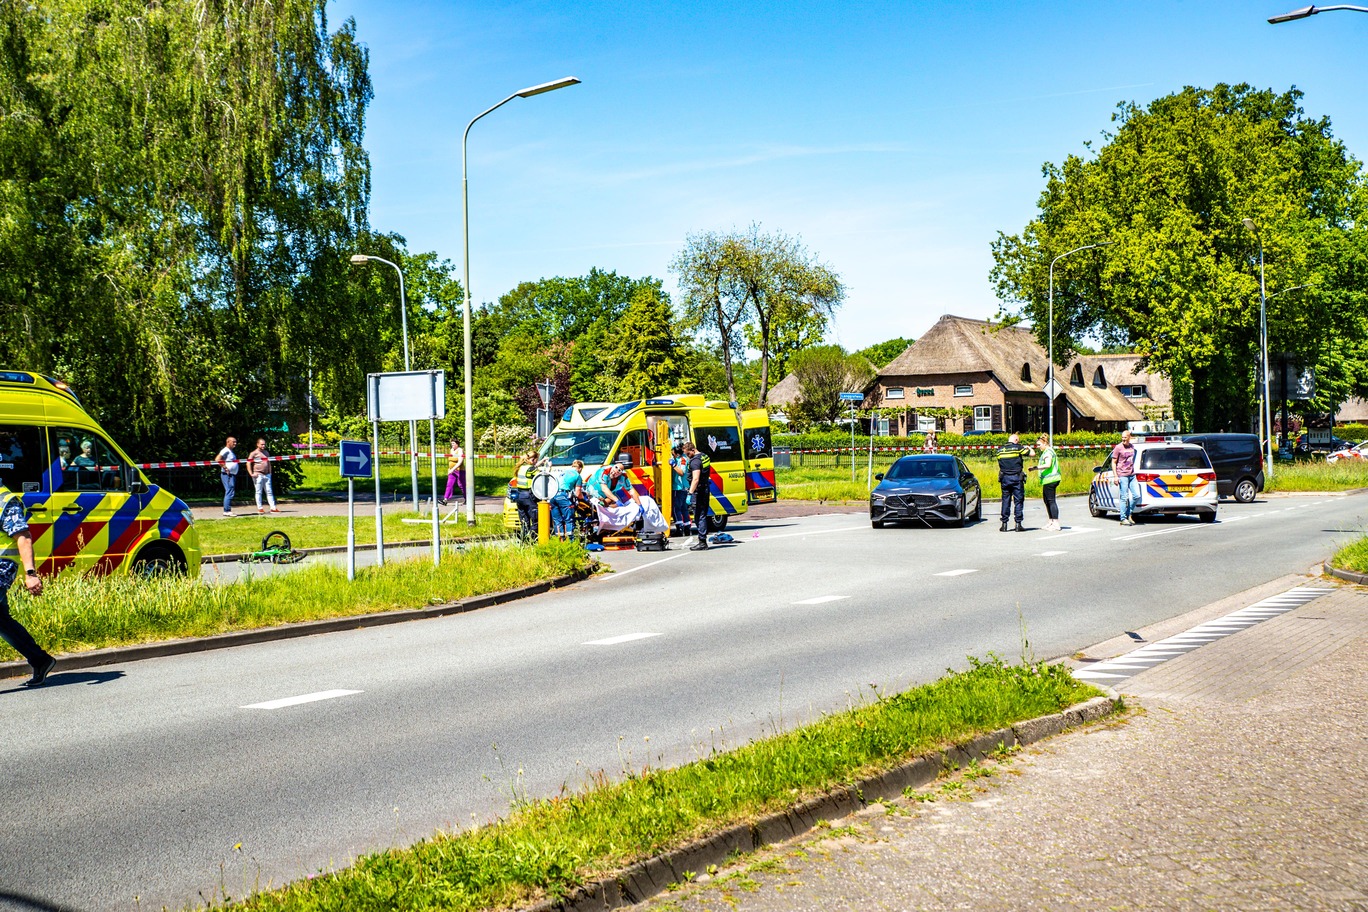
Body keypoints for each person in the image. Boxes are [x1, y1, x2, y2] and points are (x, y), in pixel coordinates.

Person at [0, 482, 56, 687]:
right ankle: (40, 660)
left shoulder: (5, 501)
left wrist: (30, 574)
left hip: (2, 565)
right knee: (2, 621)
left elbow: (23, 537)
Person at [996, 432, 1032, 532]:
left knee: (1005, 501)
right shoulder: (1018, 448)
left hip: (1004, 478)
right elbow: (1032, 454)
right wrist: (1028, 448)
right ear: (1016, 441)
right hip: (1016, 478)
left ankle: (1004, 524)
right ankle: (1018, 524)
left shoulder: (999, 450)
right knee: (1018, 501)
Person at [1030, 433, 1063, 531]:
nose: (1038, 447)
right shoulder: (1046, 452)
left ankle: (1056, 522)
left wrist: (1036, 468)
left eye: (1039, 445)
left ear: (1045, 443)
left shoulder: (1048, 452)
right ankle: (1051, 521)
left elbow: (1048, 465)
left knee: (1051, 501)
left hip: (1051, 479)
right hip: (1048, 480)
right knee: (1046, 500)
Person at [684, 441, 711, 550]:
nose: (687, 456)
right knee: (703, 514)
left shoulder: (695, 462)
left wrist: (690, 493)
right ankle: (703, 539)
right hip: (705, 488)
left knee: (699, 516)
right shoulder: (704, 456)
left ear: (692, 450)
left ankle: (702, 542)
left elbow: (695, 479)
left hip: (698, 491)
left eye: (688, 454)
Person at [1111, 429, 1139, 526]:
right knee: (1124, 497)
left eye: (1125, 437)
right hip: (1122, 475)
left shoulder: (1132, 447)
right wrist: (1115, 476)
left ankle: (1128, 513)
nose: (1123, 439)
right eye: (1122, 437)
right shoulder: (1118, 448)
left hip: (1132, 475)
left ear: (1129, 438)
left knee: (1136, 495)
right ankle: (1123, 518)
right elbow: (1113, 462)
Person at [550, 460, 584, 539]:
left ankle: (559, 540)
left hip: (553, 495)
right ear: (580, 468)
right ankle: (570, 541)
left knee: (557, 520)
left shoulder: (563, 472)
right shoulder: (577, 476)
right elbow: (578, 493)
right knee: (569, 519)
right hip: (563, 496)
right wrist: (584, 498)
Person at [247, 438, 278, 515]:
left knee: (269, 491)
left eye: (264, 444)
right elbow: (248, 463)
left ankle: (273, 508)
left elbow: (269, 462)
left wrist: (270, 473)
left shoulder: (266, 452)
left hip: (267, 475)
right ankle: (260, 508)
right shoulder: (253, 453)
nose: (263, 446)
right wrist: (251, 473)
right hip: (258, 474)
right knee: (258, 491)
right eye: (262, 444)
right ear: (257, 444)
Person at [214, 435, 239, 517]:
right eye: (233, 442)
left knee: (230, 491)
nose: (235, 443)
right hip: (227, 474)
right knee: (229, 491)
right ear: (228, 442)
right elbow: (217, 459)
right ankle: (227, 510)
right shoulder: (225, 450)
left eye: (235, 442)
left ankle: (227, 510)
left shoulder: (230, 451)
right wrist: (225, 467)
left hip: (232, 474)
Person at [669, 445, 691, 533]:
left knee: (676, 508)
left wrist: (673, 465)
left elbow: (681, 472)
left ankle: (680, 527)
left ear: (677, 454)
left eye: (673, 453)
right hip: (682, 487)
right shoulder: (682, 458)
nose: (672, 455)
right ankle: (687, 526)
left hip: (679, 487)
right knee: (683, 508)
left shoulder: (682, 460)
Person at [442, 441, 466, 506]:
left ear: (457, 444)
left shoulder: (460, 450)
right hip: (452, 471)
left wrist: (453, 469)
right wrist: (449, 469)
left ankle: (467, 499)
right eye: (451, 443)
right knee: (449, 484)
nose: (452, 444)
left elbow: (460, 461)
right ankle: (445, 499)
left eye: (453, 443)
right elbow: (450, 460)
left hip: (459, 470)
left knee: (461, 485)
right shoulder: (451, 450)